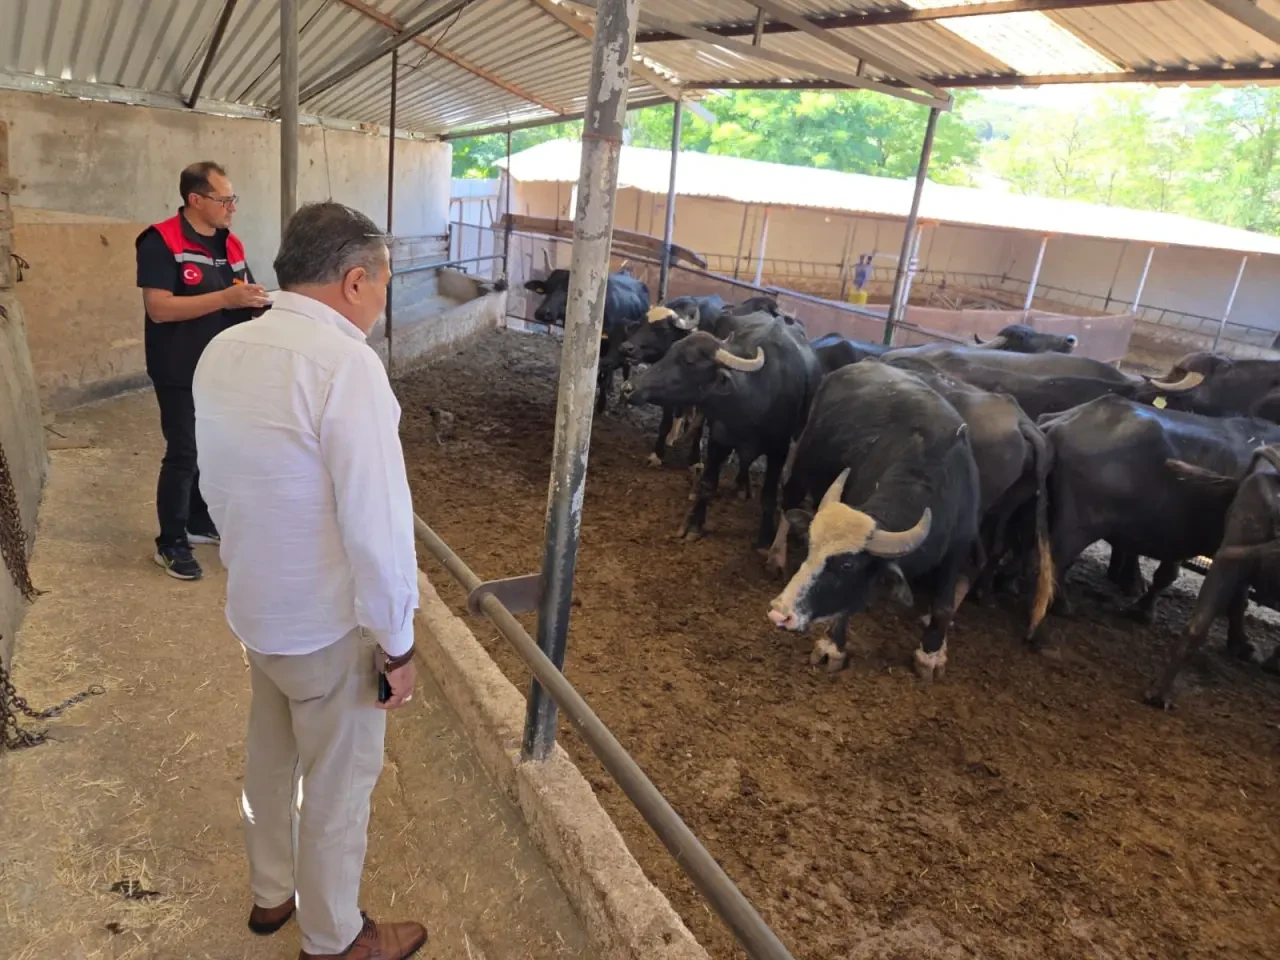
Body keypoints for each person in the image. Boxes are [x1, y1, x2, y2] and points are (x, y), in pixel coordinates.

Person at [193, 202, 426, 960]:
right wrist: (398, 644)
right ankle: (335, 938)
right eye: (384, 284)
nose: (383, 300)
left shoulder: (223, 350)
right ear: (356, 281)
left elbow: (220, 487)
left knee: (270, 753)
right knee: (337, 783)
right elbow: (378, 524)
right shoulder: (346, 367)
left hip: (258, 607)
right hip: (325, 624)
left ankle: (271, 895)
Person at [136, 161, 270, 581]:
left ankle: (196, 521)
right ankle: (170, 542)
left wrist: (263, 302)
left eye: (233, 198)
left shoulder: (231, 245)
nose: (232, 206)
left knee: (209, 448)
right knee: (183, 452)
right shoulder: (160, 241)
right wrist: (226, 300)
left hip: (221, 366)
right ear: (196, 200)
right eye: (224, 199)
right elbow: (158, 309)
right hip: (178, 365)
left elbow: (243, 293)